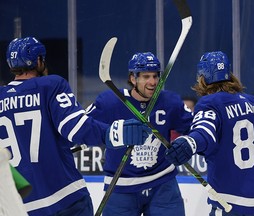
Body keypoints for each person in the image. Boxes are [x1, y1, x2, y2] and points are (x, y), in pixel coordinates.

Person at [1, 37, 151, 216]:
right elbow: (76, 128)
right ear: (38, 60)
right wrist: (115, 133)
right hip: (66, 199)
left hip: (24, 207)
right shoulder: (50, 85)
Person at [165, 51, 254, 216]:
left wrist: (190, 143)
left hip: (233, 202)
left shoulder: (210, 103)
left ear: (202, 78)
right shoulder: (253, 101)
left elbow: (204, 133)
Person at [86, 52, 193, 216]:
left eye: (155, 76)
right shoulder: (109, 102)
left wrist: (187, 142)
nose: (152, 82)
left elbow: (194, 128)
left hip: (162, 183)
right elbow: (83, 127)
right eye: (146, 76)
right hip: (120, 186)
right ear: (133, 78)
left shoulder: (169, 101)